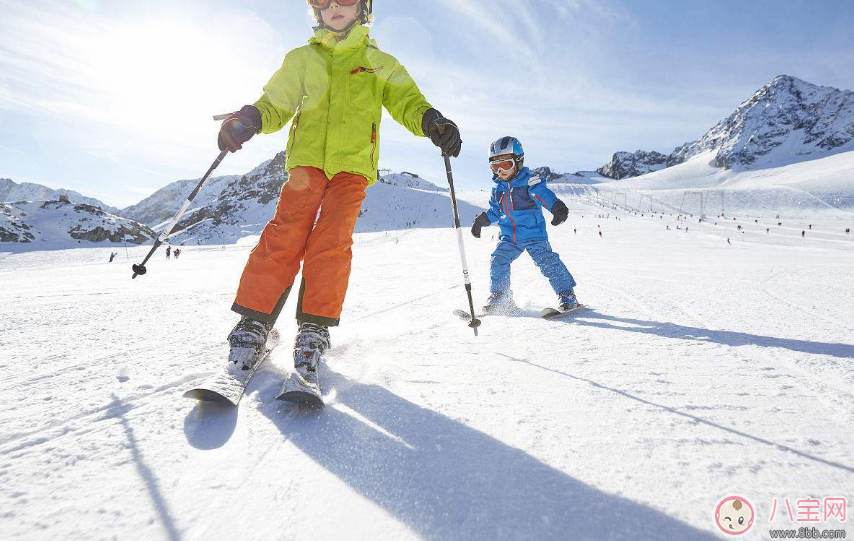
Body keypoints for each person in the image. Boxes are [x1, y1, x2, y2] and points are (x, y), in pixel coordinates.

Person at [218, 0, 462, 380]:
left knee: (331, 241)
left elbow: (407, 102)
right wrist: (250, 118)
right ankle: (254, 323)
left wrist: (432, 121)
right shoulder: (301, 59)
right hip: (307, 163)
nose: (334, 6)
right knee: (285, 233)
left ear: (363, 7)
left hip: (351, 168)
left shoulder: (380, 61)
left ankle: (314, 329)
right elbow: (276, 103)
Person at [470, 136, 577, 314]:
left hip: (533, 235)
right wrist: (482, 220)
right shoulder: (497, 190)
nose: (500, 171)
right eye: (495, 166)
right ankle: (501, 297)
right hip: (509, 238)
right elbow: (495, 211)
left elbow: (544, 195)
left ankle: (567, 295)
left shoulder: (529, 184)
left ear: (518, 161)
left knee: (548, 263)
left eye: (505, 165)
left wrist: (557, 207)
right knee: (498, 260)